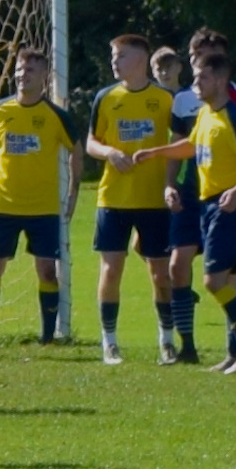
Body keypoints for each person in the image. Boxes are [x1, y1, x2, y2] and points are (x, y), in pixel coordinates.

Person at [128, 51, 236, 373]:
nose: (195, 84)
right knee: (229, 280)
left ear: (219, 81)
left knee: (213, 280)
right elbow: (191, 146)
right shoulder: (205, 114)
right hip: (208, 204)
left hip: (229, 206)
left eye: (201, 78)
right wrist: (154, 152)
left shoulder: (234, 117)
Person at [0, 45, 83, 345]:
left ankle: (47, 337)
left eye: (29, 70)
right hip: (4, 205)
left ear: (44, 76)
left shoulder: (56, 116)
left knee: (46, 271)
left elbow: (76, 151)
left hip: (43, 210)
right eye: (19, 69)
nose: (22, 75)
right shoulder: (2, 110)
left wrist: (73, 191)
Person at [84, 34, 176, 364]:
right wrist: (109, 152)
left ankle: (167, 340)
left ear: (140, 59)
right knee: (110, 270)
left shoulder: (165, 99)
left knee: (160, 274)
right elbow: (91, 142)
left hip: (154, 200)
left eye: (121, 55)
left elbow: (182, 143)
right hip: (113, 199)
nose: (114, 61)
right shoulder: (106, 98)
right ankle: (109, 342)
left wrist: (169, 179)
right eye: (113, 55)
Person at [152, 45, 204, 361]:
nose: (165, 72)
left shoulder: (187, 99)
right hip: (156, 186)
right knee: (160, 260)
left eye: (170, 67)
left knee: (175, 262)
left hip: (195, 187)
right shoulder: (152, 100)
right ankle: (180, 307)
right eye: (160, 68)